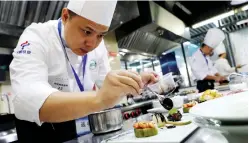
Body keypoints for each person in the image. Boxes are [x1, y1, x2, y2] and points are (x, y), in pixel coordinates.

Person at [9, 1, 158, 142]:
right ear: (66, 16)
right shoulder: (37, 36)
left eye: (101, 35)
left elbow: (106, 83)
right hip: (38, 131)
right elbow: (28, 99)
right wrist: (98, 99)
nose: (92, 43)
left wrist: (134, 80)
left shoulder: (98, 48)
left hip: (76, 124)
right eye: (87, 31)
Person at [190, 28, 226, 92]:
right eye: (211, 50)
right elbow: (200, 74)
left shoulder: (206, 57)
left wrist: (220, 77)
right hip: (203, 85)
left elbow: (212, 69)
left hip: (210, 84)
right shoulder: (196, 57)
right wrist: (215, 78)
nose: (211, 52)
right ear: (207, 47)